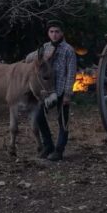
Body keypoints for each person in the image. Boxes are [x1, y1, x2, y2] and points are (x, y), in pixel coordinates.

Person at [35, 21, 77, 162]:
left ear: (62, 33)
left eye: (57, 31)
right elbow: (33, 62)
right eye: (51, 31)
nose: (54, 34)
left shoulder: (68, 50)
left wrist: (67, 94)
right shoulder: (45, 48)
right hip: (47, 91)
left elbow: (71, 73)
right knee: (38, 116)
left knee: (62, 121)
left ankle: (59, 150)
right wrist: (44, 58)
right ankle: (48, 146)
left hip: (61, 90)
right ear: (48, 33)